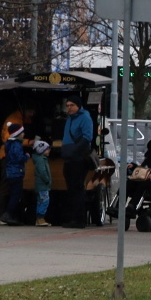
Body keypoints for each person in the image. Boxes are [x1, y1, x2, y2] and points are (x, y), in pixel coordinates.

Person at [60, 94, 93, 229]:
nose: (69, 108)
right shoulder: (69, 118)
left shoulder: (85, 117)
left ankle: (79, 219)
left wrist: (74, 150)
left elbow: (87, 137)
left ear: (78, 106)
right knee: (71, 189)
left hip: (78, 158)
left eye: (72, 105)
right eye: (67, 105)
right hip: (69, 157)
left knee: (77, 188)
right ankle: (72, 217)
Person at [0, 123, 29, 226]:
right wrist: (26, 156)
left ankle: (11, 215)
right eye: (22, 132)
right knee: (16, 194)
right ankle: (8, 214)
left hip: (10, 171)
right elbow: (18, 158)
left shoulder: (8, 143)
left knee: (13, 193)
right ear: (18, 134)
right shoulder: (16, 144)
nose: (24, 134)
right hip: (16, 172)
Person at [31, 139, 52, 227]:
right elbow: (42, 171)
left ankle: (39, 218)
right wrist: (47, 180)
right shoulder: (41, 160)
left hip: (41, 185)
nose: (49, 150)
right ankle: (40, 217)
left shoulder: (41, 159)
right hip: (42, 185)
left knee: (41, 201)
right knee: (45, 200)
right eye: (47, 149)